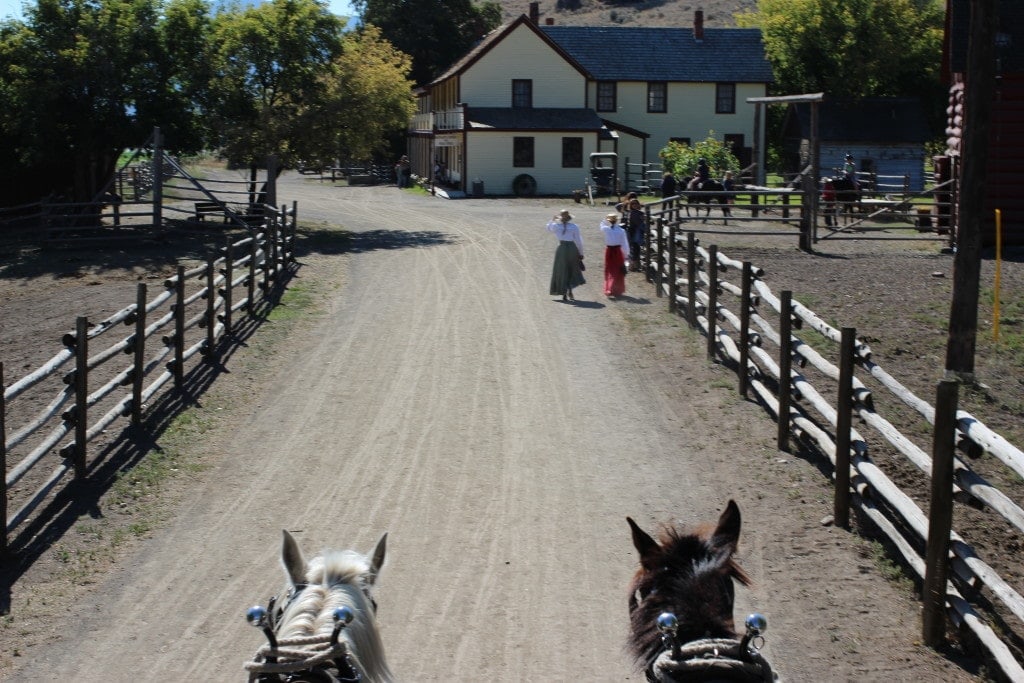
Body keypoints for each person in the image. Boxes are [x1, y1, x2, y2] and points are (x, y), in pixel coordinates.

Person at [546, 209, 586, 302]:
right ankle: (570, 290)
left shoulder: (556, 226)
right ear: (569, 218)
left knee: (561, 270)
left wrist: (553, 219)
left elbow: (548, 228)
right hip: (572, 249)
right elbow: (579, 242)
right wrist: (581, 253)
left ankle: (563, 292)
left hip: (562, 249)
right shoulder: (574, 227)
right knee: (571, 269)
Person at [600, 212, 630, 298]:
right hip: (617, 251)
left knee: (609, 268)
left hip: (609, 250)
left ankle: (610, 288)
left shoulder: (606, 229)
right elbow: (624, 243)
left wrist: (605, 219)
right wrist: (626, 254)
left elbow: (601, 225)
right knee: (617, 269)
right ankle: (616, 288)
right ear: (616, 221)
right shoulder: (621, 230)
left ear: (609, 221)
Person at [626, 198, 646, 271]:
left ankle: (635, 265)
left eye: (636, 203)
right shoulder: (634, 213)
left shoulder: (637, 212)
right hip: (633, 232)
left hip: (635, 232)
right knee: (635, 249)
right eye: (633, 204)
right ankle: (632, 266)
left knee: (635, 249)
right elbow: (638, 223)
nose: (634, 205)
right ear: (630, 205)